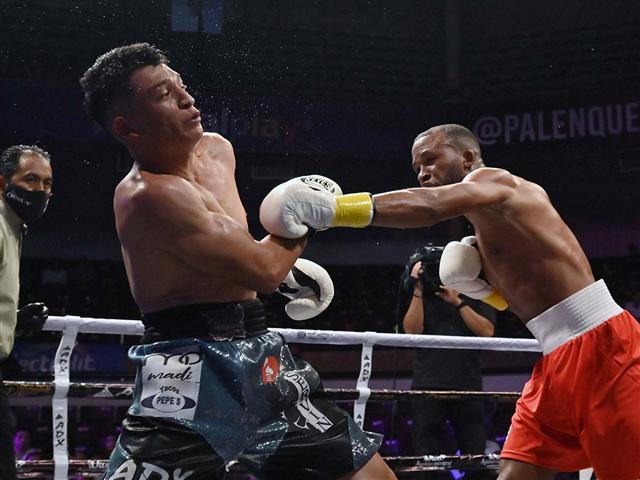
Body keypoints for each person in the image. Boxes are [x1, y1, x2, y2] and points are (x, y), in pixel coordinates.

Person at [79, 43, 396, 480]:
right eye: (163, 95)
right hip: (188, 368)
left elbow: (236, 251)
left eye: (181, 85)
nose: (186, 98)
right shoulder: (147, 194)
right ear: (127, 126)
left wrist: (280, 260)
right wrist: (304, 218)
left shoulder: (217, 151)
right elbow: (264, 269)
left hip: (261, 352)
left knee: (372, 476)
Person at [260, 123, 640, 480]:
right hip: (556, 359)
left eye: (430, 159)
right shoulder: (488, 231)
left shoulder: (497, 182)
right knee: (519, 471)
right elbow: (528, 301)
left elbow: (429, 206)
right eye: (417, 167)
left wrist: (334, 210)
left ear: (468, 158)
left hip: (603, 349)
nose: (423, 172)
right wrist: (486, 290)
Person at [399, 246, 495, 480]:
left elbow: (487, 331)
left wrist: (457, 301)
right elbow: (412, 332)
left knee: (474, 450)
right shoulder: (420, 296)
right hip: (428, 383)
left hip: (467, 384)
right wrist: (418, 288)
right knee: (427, 452)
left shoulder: (476, 292)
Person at [0, 144, 52, 480]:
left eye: (47, 183)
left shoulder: (12, 226)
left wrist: (11, 322)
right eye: (31, 179)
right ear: (2, 183)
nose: (40, 190)